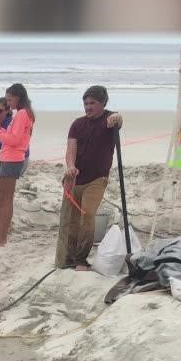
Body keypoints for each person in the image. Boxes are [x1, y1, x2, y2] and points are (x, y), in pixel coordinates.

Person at [58, 85, 126, 270]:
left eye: (92, 103)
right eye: (85, 103)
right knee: (71, 221)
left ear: (103, 103)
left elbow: (118, 120)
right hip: (75, 179)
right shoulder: (77, 124)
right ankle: (69, 258)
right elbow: (71, 149)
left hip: (97, 179)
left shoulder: (108, 119)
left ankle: (81, 260)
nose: (88, 107)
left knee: (87, 215)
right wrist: (70, 166)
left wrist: (116, 117)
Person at [0, 83, 35, 247]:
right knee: (1, 194)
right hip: (10, 157)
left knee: (5, 200)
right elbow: (13, 137)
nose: (8, 102)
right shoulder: (22, 114)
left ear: (18, 97)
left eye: (9, 99)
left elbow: (15, 140)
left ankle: (1, 238)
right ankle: (2, 230)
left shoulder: (21, 114)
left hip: (13, 158)